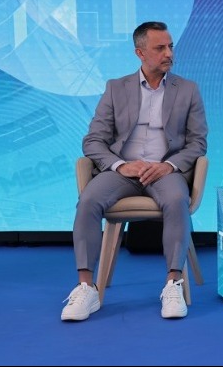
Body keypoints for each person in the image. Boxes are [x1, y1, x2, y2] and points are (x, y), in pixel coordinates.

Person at [60, 21, 208, 321]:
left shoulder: (188, 89)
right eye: (160, 48)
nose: (169, 53)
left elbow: (198, 143)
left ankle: (173, 283)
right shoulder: (116, 88)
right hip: (121, 172)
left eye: (170, 47)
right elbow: (93, 140)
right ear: (140, 53)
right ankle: (86, 288)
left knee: (176, 200)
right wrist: (121, 165)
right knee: (88, 200)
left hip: (165, 172)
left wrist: (168, 165)